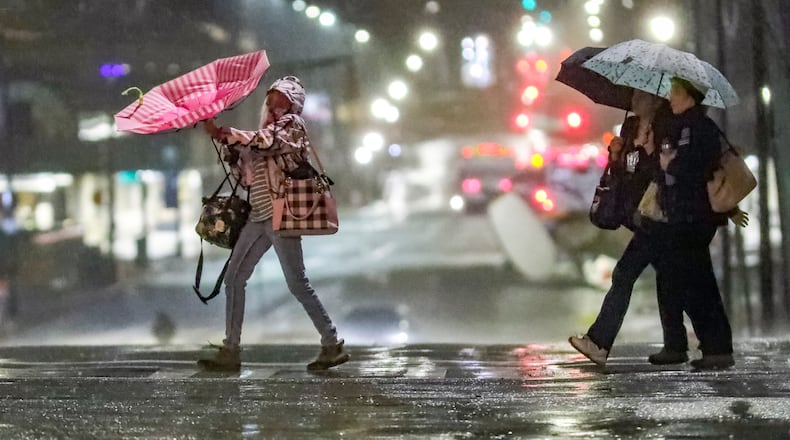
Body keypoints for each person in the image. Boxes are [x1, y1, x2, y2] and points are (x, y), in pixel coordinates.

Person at [198, 76, 349, 372]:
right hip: (257, 216)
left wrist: (224, 131)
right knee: (234, 278)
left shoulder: (292, 125)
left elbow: (268, 143)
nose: (273, 103)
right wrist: (221, 140)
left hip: (283, 215)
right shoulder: (263, 131)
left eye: (281, 98)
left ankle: (331, 343)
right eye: (272, 97)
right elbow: (245, 174)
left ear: (293, 103)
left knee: (297, 283)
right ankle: (231, 349)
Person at [569, 90, 689, 367]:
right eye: (634, 94)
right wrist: (615, 154)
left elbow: (668, 170)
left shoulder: (666, 128)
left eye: (641, 96)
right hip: (636, 213)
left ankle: (599, 342)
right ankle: (683, 343)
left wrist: (652, 153)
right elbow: (623, 172)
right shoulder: (630, 126)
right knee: (670, 281)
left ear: (655, 100)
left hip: (658, 214)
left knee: (623, 274)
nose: (634, 99)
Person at [654, 77, 736, 370]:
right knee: (694, 281)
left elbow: (695, 168)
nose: (670, 97)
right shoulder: (687, 125)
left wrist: (671, 164)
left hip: (694, 216)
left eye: (675, 91)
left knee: (696, 283)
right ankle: (713, 346)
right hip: (687, 215)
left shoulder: (696, 127)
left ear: (690, 96)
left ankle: (716, 347)